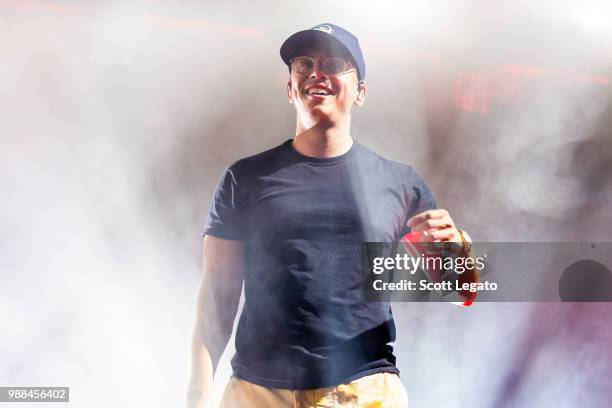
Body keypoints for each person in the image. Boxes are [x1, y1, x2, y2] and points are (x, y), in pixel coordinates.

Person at [188, 23, 475, 408]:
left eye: (334, 63)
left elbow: (460, 291)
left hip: (364, 390)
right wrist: (196, 395)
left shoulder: (399, 182)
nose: (316, 73)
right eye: (303, 64)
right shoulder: (246, 178)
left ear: (360, 92)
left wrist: (458, 252)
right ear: (290, 88)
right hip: (259, 393)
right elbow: (217, 297)